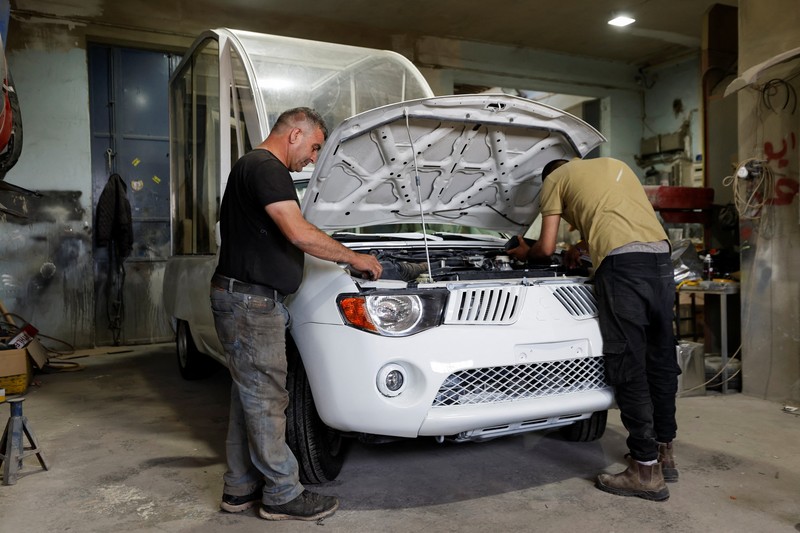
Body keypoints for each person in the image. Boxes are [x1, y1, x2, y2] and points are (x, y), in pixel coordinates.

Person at [210, 107, 382, 521]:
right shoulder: (267, 168)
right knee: (268, 400)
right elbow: (298, 232)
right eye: (315, 147)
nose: (313, 157)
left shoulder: (250, 167)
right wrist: (352, 257)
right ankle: (283, 493)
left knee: (248, 398)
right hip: (251, 303)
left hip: (242, 298)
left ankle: (239, 489)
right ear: (295, 134)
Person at [507, 157, 680, 502]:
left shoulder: (555, 180)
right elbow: (626, 221)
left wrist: (524, 252)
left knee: (628, 363)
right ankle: (664, 454)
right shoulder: (615, 166)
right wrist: (583, 246)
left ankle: (644, 471)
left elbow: (544, 248)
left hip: (623, 268)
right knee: (659, 358)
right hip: (660, 259)